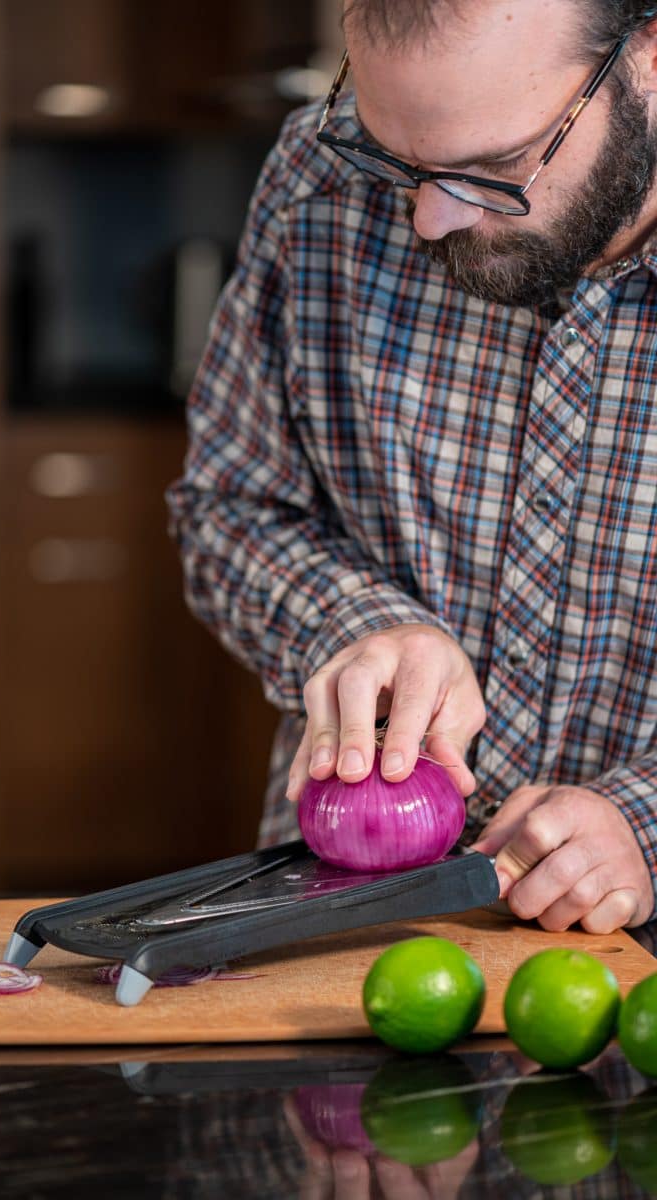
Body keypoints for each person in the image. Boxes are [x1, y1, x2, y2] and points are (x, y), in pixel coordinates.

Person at [166, 0, 657, 936]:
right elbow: (229, 507)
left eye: (494, 170)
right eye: (391, 157)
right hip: (341, 938)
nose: (429, 219)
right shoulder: (317, 181)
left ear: (648, 57)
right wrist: (353, 624)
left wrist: (645, 821)